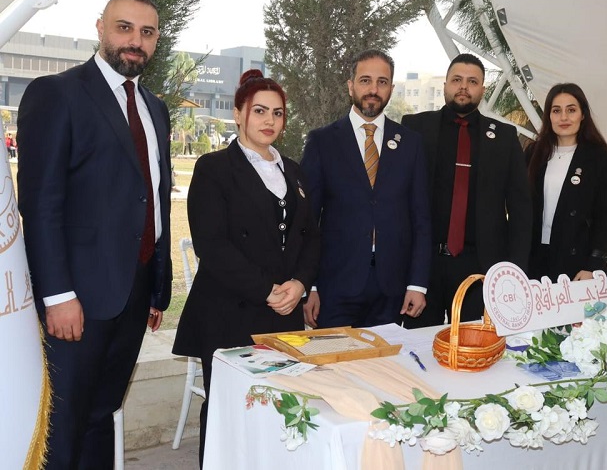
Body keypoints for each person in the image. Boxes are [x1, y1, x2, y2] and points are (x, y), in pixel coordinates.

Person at [16, 0, 172, 469]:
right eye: (125, 28)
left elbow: (154, 197)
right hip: (77, 299)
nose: (135, 41)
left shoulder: (155, 108)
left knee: (103, 415)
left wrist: (156, 287)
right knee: (62, 427)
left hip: (135, 293)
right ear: (101, 27)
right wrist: (58, 295)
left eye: (146, 32)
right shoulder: (56, 94)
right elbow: (40, 204)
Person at [172, 70, 320, 465]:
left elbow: (311, 236)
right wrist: (266, 290)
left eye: (277, 113)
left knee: (280, 409)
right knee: (229, 410)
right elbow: (212, 245)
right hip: (229, 312)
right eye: (259, 111)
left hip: (284, 313)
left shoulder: (295, 170)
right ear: (238, 114)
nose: (269, 120)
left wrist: (300, 283)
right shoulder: (214, 168)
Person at [301, 49, 431, 329]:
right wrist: (309, 285)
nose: (373, 89)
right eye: (365, 80)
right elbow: (308, 221)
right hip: (334, 287)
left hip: (392, 289)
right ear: (351, 86)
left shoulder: (411, 144)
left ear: (391, 88)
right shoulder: (322, 142)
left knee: (386, 359)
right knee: (334, 358)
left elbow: (421, 219)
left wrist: (417, 284)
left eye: (382, 82)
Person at [402, 53, 532, 327]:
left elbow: (521, 210)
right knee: (418, 346)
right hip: (424, 265)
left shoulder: (505, 138)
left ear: (482, 90)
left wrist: (514, 271)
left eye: (472, 81)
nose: (464, 87)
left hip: (481, 268)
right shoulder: (415, 128)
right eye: (457, 80)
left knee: (475, 345)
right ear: (445, 85)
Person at [526, 82, 607, 282]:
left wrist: (593, 265)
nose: (564, 117)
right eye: (556, 111)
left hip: (578, 263)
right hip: (534, 258)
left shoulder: (598, 157)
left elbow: (605, 214)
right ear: (549, 116)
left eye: (571, 110)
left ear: (583, 114)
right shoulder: (534, 153)